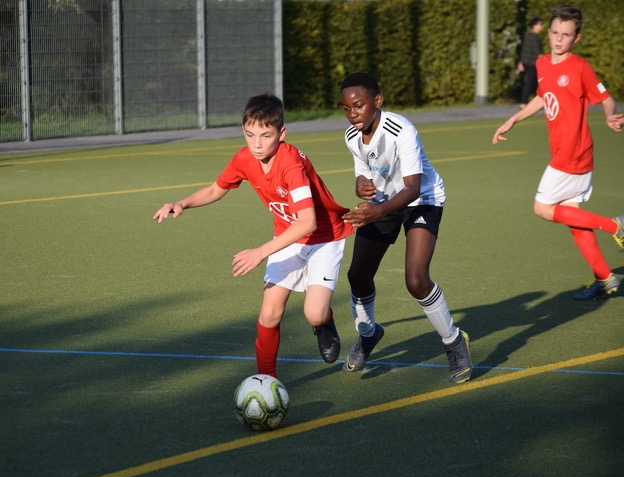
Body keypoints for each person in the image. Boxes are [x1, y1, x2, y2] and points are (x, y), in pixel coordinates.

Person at [153, 93, 354, 377]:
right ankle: (266, 379)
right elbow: (216, 189)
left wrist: (261, 252)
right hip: (287, 235)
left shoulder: (291, 164)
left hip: (324, 237)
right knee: (270, 313)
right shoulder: (245, 158)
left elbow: (308, 222)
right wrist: (182, 203)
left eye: (266, 135)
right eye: (250, 135)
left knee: (314, 313)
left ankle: (324, 323)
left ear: (281, 134)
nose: (257, 144)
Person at [339, 72, 473, 383]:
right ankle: (369, 334)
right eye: (346, 108)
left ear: (377, 101)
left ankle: (454, 342)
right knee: (357, 276)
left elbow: (413, 187)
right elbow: (363, 173)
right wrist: (361, 185)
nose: (352, 114)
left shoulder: (401, 130)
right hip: (385, 200)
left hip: (422, 199)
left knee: (416, 280)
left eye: (358, 106)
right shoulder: (351, 136)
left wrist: (377, 211)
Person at [493, 5, 624, 301]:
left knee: (542, 208)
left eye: (566, 35)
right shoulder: (542, 63)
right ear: (549, 33)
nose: (559, 39)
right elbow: (542, 97)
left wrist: (609, 116)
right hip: (565, 151)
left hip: (573, 151)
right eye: (555, 33)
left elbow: (606, 98)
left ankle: (615, 225)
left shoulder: (580, 67)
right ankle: (605, 277)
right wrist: (513, 119)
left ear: (576, 39)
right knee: (574, 218)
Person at [517, 17, 544, 108]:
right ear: (534, 25)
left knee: (534, 82)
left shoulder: (527, 35)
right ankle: (523, 102)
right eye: (539, 24)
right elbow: (537, 51)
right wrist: (544, 60)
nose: (541, 26)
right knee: (530, 82)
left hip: (527, 62)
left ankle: (537, 102)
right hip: (532, 63)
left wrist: (521, 61)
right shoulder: (534, 36)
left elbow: (524, 50)